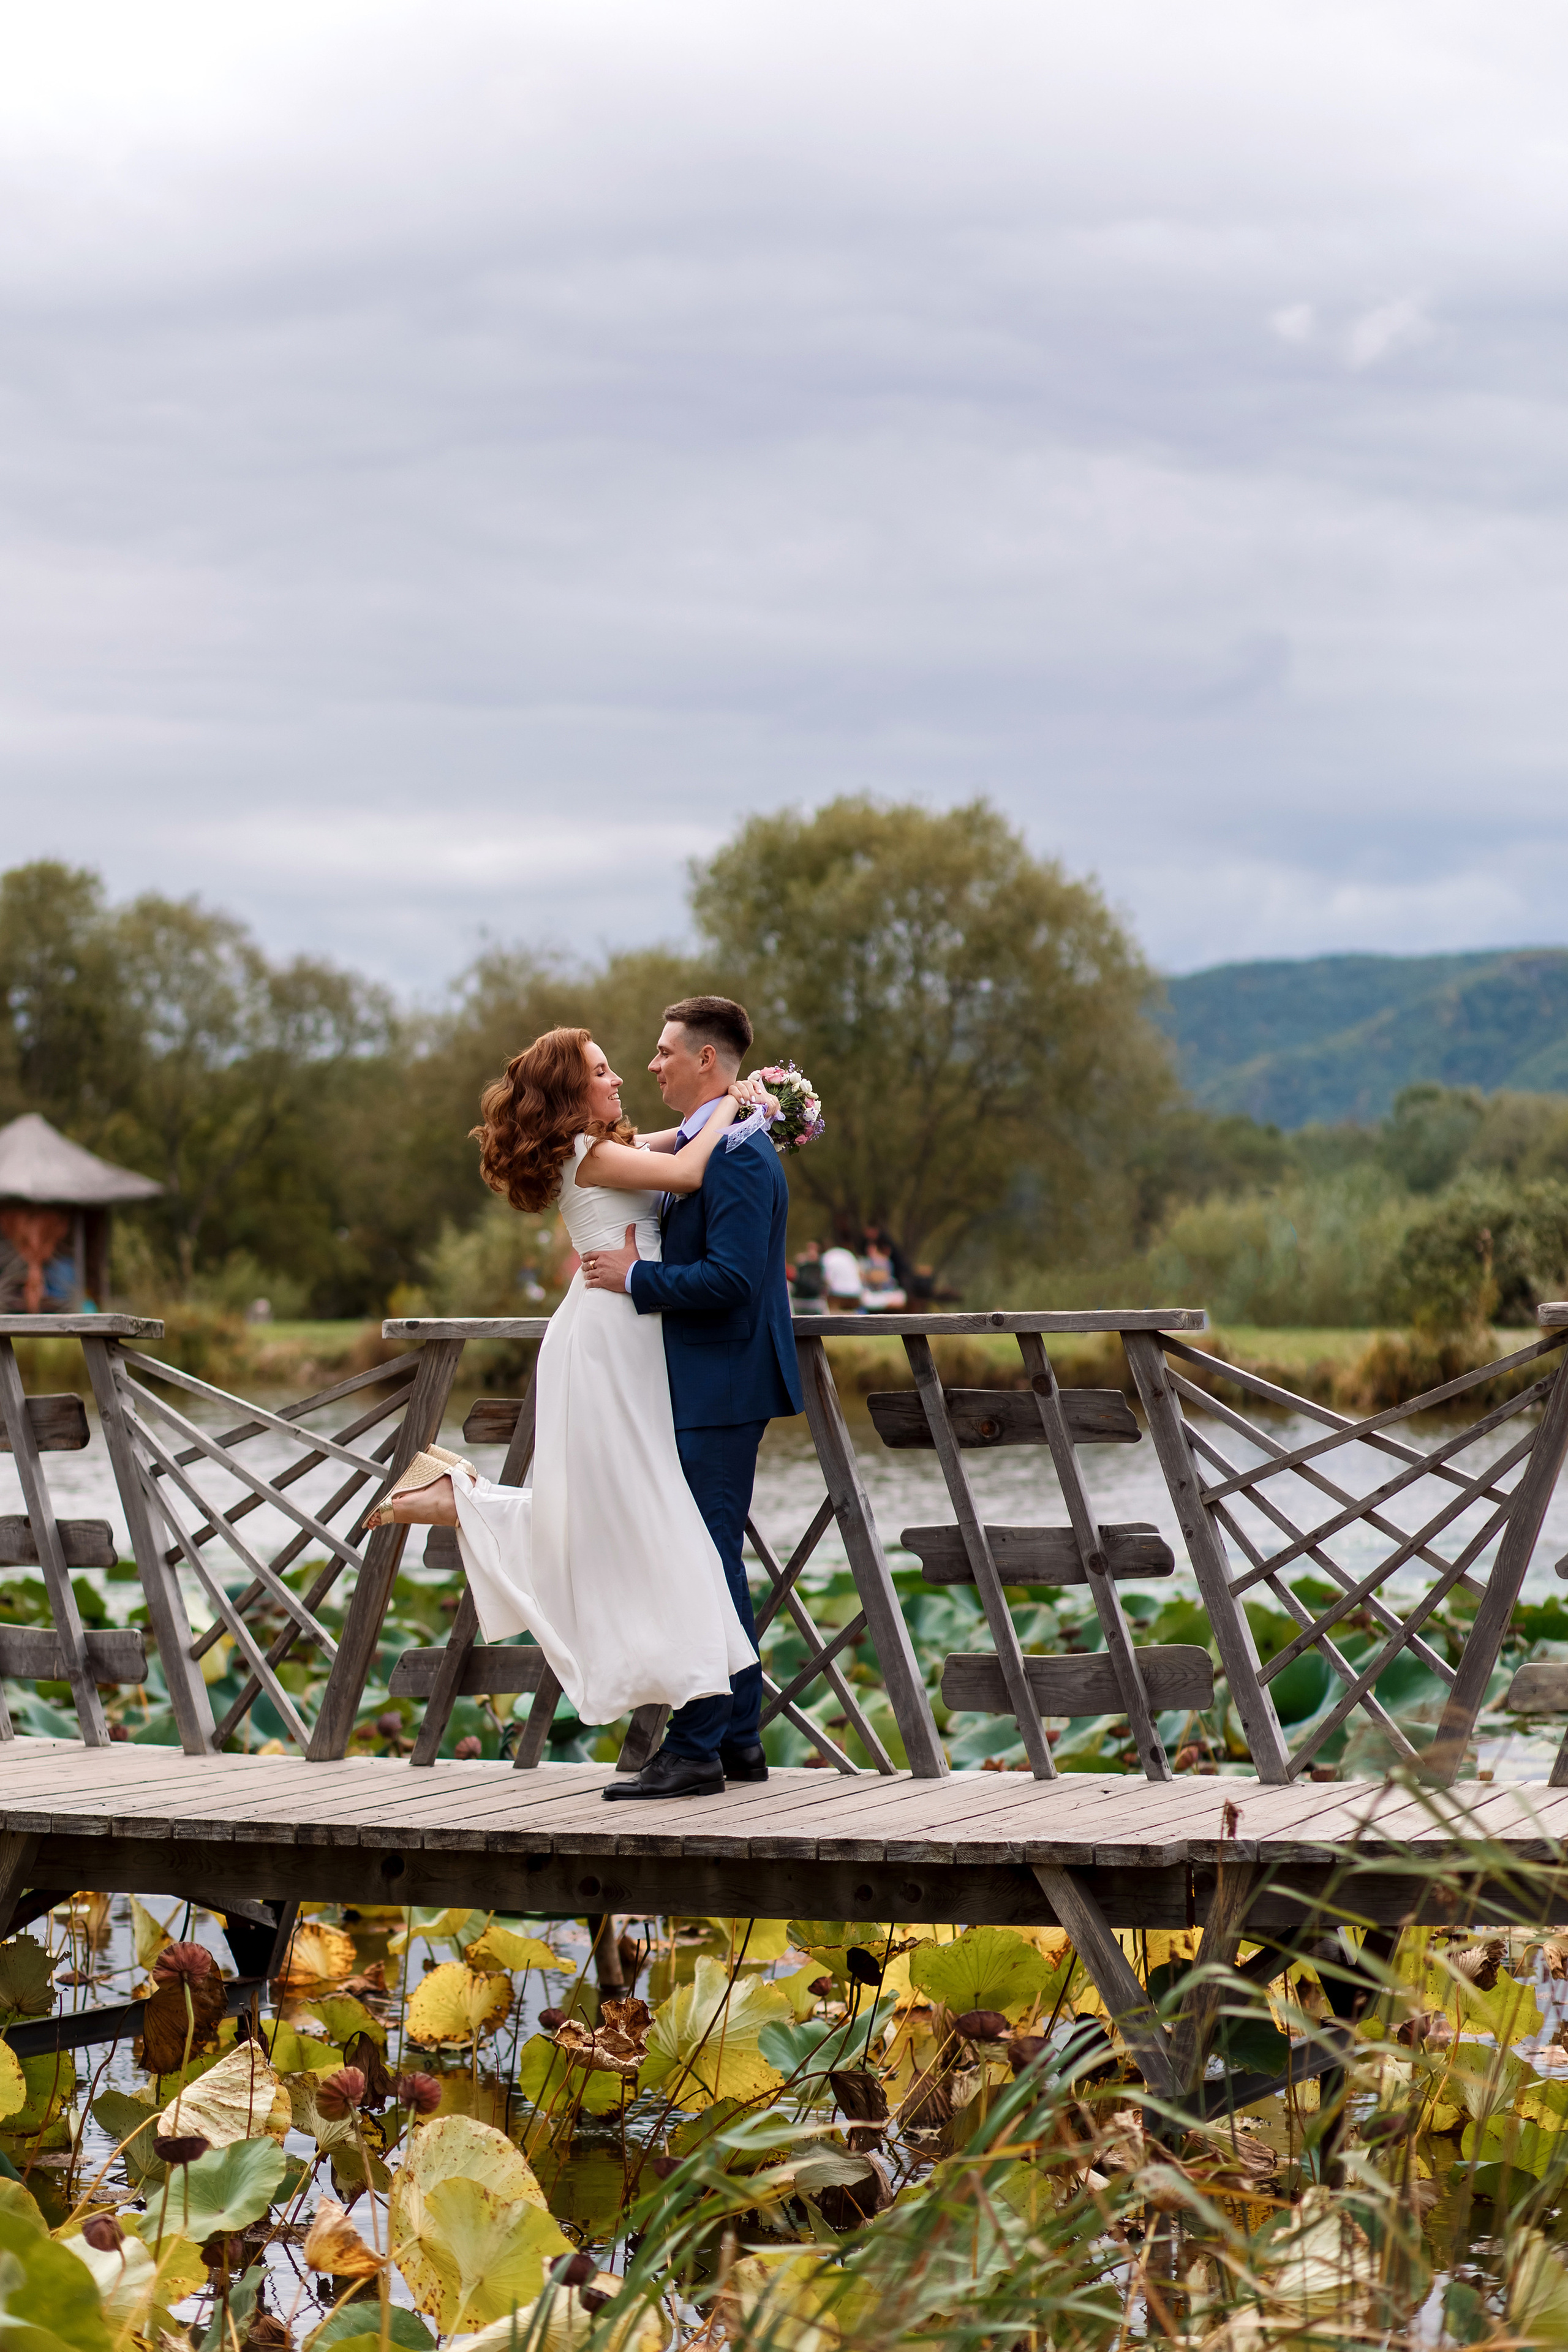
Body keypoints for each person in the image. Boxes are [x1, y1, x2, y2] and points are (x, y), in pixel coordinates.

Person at [369, 1025, 771, 1743]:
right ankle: (461, 1501)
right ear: (570, 1093)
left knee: (612, 1509)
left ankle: (463, 1501)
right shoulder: (589, 1157)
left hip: (628, 1326)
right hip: (610, 1335)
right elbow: (686, 1173)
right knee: (630, 1508)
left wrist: (741, 1113)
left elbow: (680, 1144)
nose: (620, 1080)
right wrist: (743, 1114)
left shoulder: (600, 1149)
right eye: (603, 1071)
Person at [579, 993, 804, 1799]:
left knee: (702, 1565)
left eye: (665, 1050)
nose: (653, 1064)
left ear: (707, 1059)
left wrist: (637, 1278)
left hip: (722, 1382)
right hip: (708, 1381)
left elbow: (738, 1280)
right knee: (710, 1559)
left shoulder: (740, 1151)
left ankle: (695, 1750)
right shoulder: (720, 1138)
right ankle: (738, 1740)